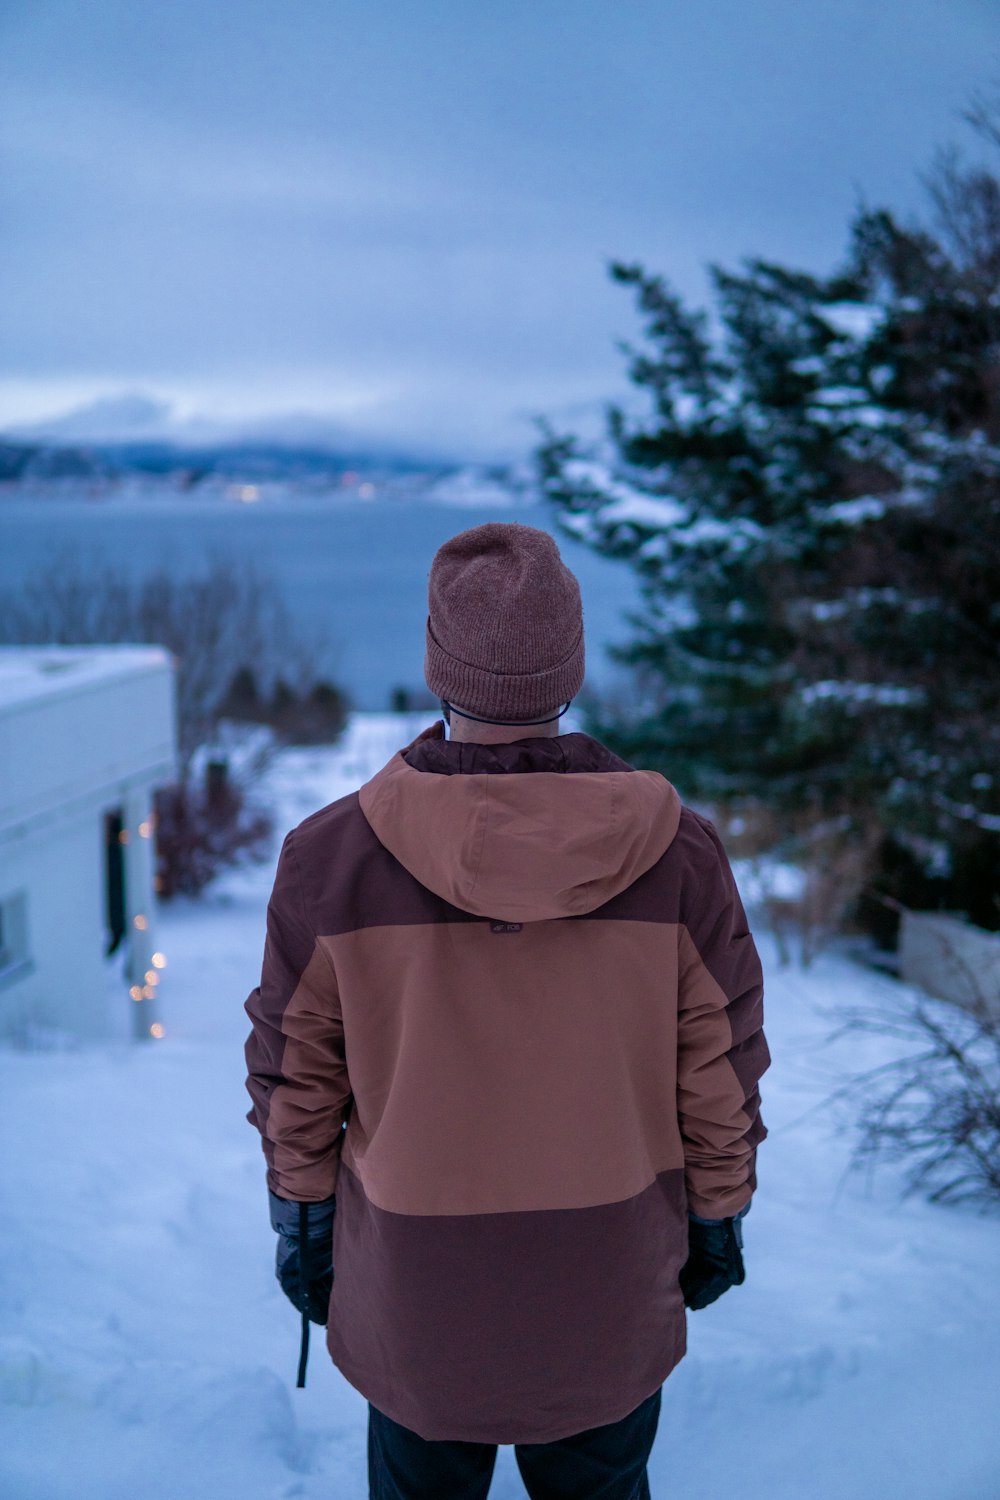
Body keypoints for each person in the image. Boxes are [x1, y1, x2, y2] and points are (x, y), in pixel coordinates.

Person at [244, 521, 770, 1500]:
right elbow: (719, 1067)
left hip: (414, 1293)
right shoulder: (678, 855)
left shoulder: (330, 861)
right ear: (565, 671)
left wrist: (303, 1226)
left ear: (442, 670)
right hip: (606, 1288)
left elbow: (294, 1083)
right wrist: (717, 1216)